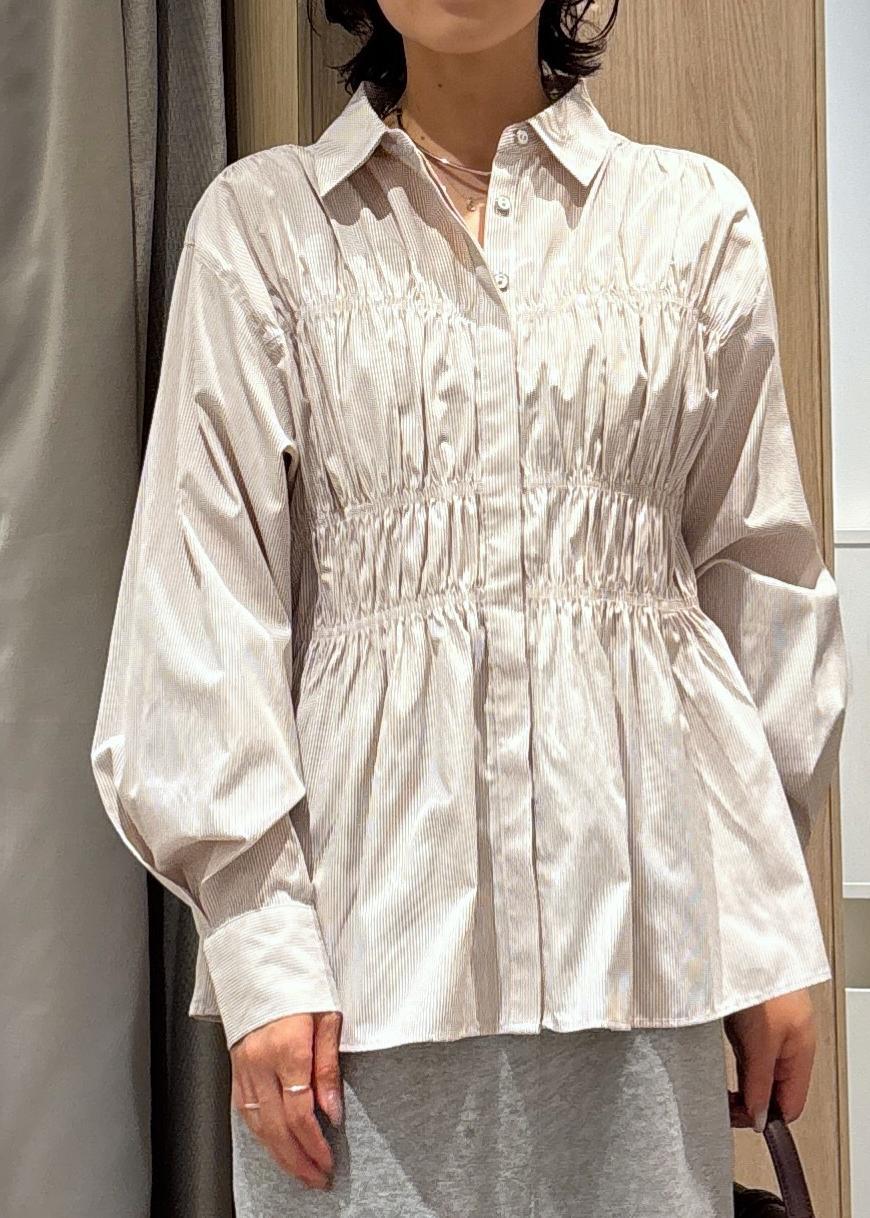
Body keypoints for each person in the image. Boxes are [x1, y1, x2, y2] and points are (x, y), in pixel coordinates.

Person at [90, 0, 850, 1214]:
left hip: (646, 959)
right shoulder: (263, 231)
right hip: (352, 988)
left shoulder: (691, 222)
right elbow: (202, 604)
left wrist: (765, 924)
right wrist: (261, 950)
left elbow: (759, 585)